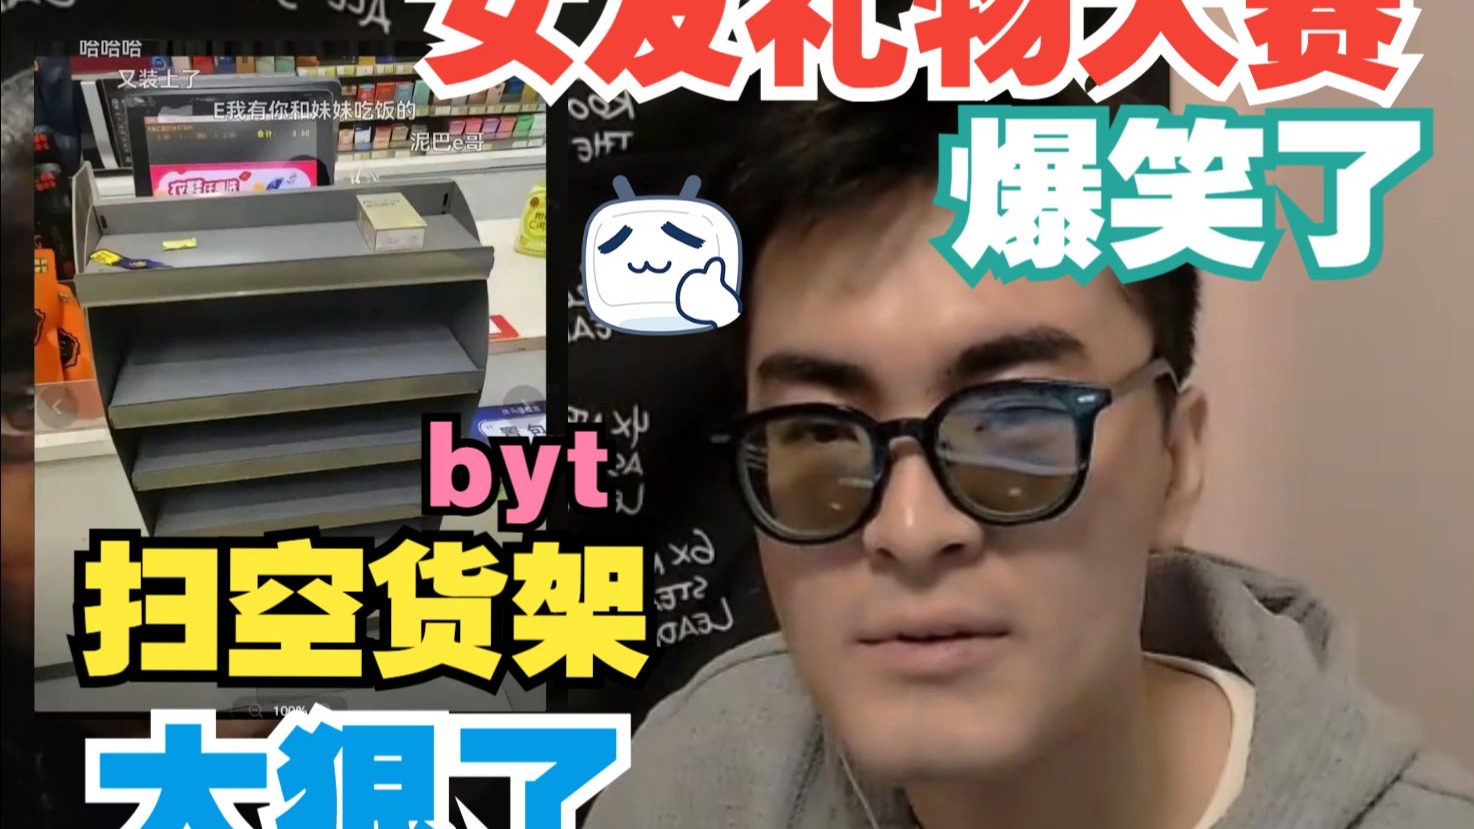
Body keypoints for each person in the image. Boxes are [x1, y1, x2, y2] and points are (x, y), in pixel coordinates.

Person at [582, 89, 1474, 829]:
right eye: (819, 434)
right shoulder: (699, 771)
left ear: (1175, 457)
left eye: (1015, 424)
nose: (910, 528)